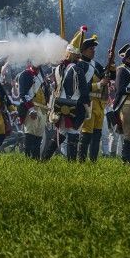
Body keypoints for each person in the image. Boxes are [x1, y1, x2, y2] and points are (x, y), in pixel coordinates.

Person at [48, 27, 89, 161]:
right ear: (77, 55)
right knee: (73, 132)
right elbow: (83, 91)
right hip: (74, 105)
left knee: (61, 133)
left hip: (60, 104)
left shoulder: (58, 68)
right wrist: (86, 106)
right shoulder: (78, 69)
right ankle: (71, 163)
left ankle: (43, 158)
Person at [78, 34, 110, 162]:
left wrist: (111, 61)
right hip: (88, 103)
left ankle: (93, 161)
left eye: (94, 48)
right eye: (91, 48)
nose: (94, 51)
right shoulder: (79, 66)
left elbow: (109, 75)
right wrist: (99, 84)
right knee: (86, 135)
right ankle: (81, 160)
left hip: (99, 104)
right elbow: (81, 87)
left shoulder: (95, 65)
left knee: (97, 135)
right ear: (84, 50)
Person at [17, 61, 50, 159]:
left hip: (43, 109)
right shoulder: (25, 74)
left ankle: (35, 158)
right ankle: (28, 158)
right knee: (30, 134)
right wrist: (31, 109)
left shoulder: (41, 75)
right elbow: (23, 94)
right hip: (31, 108)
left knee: (39, 136)